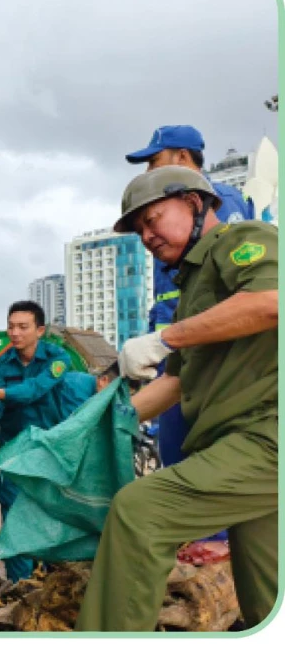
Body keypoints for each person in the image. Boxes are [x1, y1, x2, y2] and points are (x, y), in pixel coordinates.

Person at [78, 166, 277, 630]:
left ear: (192, 202)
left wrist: (167, 337)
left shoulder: (240, 238)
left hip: (267, 434)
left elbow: (272, 300)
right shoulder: (193, 287)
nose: (147, 236)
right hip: (241, 444)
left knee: (139, 513)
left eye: (153, 219)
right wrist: (86, 428)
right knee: (264, 593)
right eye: (139, 229)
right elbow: (176, 383)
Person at [124, 125, 256, 472]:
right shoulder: (164, 222)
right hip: (177, 358)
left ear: (182, 158)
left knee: (205, 471)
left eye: (154, 161)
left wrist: (166, 339)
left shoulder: (221, 204)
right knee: (177, 463)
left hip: (208, 359)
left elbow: (252, 296)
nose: (148, 171)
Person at [0, 300, 96, 583]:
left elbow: (34, 391)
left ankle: (57, 583)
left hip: (53, 453)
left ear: (39, 330)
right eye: (11, 326)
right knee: (15, 519)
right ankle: (20, 587)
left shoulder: (58, 359)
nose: (15, 333)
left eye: (22, 327)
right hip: (16, 454)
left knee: (57, 518)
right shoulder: (2, 365)